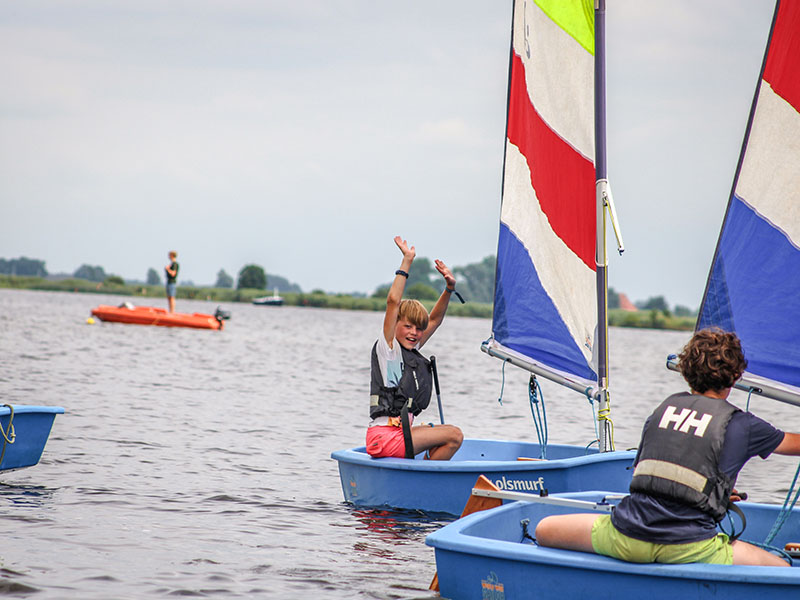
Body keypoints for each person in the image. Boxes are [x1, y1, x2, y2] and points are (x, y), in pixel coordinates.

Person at [535, 328, 800, 566]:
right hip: (690, 547)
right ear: (736, 375)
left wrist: (712, 493)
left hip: (628, 537)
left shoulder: (662, 410)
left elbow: (657, 476)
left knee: (544, 529)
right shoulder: (744, 425)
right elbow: (794, 444)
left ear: (686, 371)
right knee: (782, 568)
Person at [366, 236, 464, 461]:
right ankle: (426, 478)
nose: (414, 333)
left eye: (418, 329)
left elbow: (435, 320)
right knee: (455, 436)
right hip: (385, 437)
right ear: (396, 325)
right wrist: (407, 261)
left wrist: (449, 289)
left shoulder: (410, 348)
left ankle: (421, 476)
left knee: (440, 430)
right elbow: (393, 301)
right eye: (407, 326)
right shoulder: (388, 348)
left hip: (398, 434)